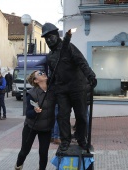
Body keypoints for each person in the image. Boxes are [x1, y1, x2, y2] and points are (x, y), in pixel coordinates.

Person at [41, 23, 97, 151]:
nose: (49, 40)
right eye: (46, 38)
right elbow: (53, 74)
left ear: (56, 35)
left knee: (82, 116)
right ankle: (65, 140)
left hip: (77, 87)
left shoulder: (69, 47)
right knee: (62, 116)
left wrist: (91, 76)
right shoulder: (50, 57)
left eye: (50, 36)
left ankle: (81, 139)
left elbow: (81, 62)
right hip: (62, 90)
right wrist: (50, 85)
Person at [14, 70, 56, 170]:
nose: (43, 73)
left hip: (46, 127)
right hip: (31, 127)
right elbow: (28, 113)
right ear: (36, 80)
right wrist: (35, 111)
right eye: (40, 74)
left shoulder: (52, 91)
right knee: (24, 151)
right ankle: (18, 167)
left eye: (43, 72)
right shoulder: (32, 93)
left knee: (43, 152)